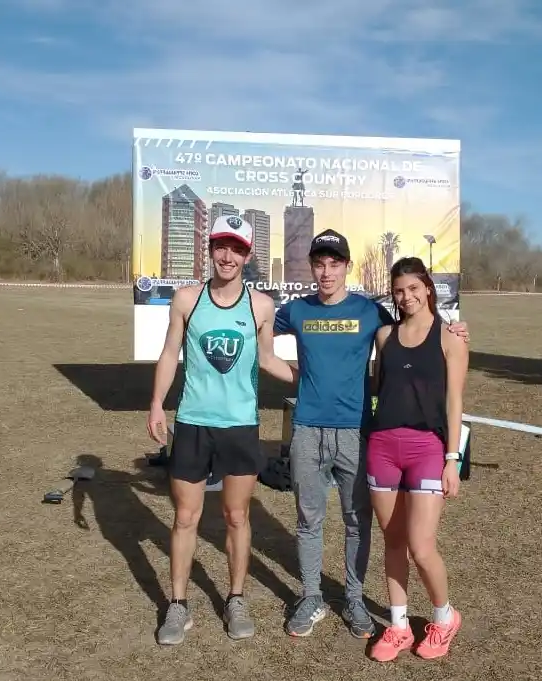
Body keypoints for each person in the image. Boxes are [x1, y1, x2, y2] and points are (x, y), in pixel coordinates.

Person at [273, 229, 470, 639]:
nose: (326, 272)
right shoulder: (295, 311)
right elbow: (255, 323)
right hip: (308, 429)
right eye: (319, 264)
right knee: (309, 519)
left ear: (346, 267)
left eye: (335, 264)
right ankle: (311, 597)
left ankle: (356, 600)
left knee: (356, 522)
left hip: (357, 432)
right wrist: (296, 374)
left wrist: (456, 330)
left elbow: (413, 331)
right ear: (312, 267)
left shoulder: (370, 314)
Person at [146, 214, 295, 645]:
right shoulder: (187, 300)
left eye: (236, 248)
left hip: (240, 427)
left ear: (247, 255)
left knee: (236, 516)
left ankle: (235, 597)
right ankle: (178, 606)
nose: (227, 256)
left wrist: (314, 379)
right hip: (193, 424)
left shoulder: (261, 306)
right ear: (210, 250)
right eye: (220, 246)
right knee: (185, 517)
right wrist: (156, 403)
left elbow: (267, 360)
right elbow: (170, 352)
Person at [364, 256, 469, 662]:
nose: (405, 297)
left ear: (427, 287)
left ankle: (444, 618)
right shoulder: (384, 336)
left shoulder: (450, 337)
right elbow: (379, 390)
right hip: (382, 448)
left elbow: (455, 402)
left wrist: (452, 459)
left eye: (412, 288)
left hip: (427, 449)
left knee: (422, 547)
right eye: (398, 291)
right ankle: (399, 625)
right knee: (393, 542)